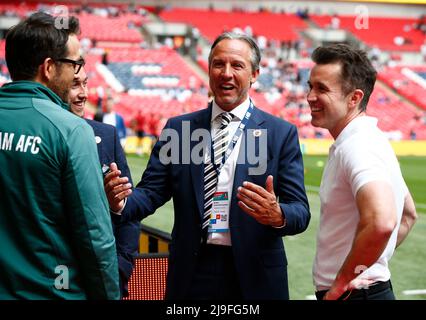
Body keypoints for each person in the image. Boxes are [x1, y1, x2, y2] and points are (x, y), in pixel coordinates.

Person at [105, 32, 310, 300]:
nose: (226, 73)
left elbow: (300, 211)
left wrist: (278, 214)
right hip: (193, 271)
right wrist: (118, 202)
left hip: (255, 275)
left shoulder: (280, 133)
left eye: (237, 65)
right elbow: (150, 193)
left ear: (255, 74)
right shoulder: (180, 130)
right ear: (209, 68)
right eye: (218, 64)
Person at [0, 12, 119, 299]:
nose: (78, 72)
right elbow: (94, 237)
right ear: (49, 67)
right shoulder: (71, 130)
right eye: (75, 63)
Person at [307, 43, 418, 300]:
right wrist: (370, 262)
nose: (310, 96)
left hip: (355, 294)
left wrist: (344, 281)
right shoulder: (368, 139)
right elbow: (408, 215)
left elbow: (382, 221)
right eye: (310, 86)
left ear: (354, 98)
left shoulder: (358, 146)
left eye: (322, 89)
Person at [68, 67, 140, 298]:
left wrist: (121, 265)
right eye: (73, 85)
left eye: (85, 84)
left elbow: (128, 210)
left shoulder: (106, 136)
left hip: (105, 278)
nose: (83, 94)